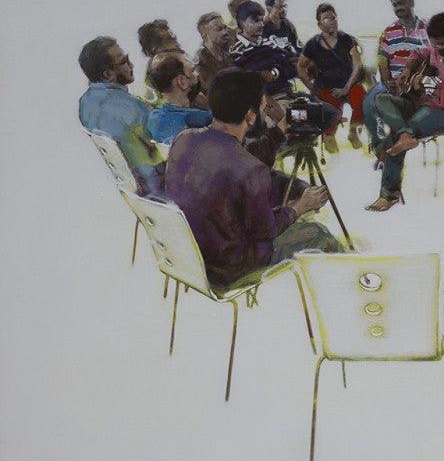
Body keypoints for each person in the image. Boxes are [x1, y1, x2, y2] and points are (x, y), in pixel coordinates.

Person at [164, 68, 342, 289]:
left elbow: (236, 159)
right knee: (318, 233)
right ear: (250, 116)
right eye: (263, 107)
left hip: (191, 257)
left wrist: (279, 132)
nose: (265, 111)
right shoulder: (251, 170)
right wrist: (300, 206)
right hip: (230, 269)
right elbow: (267, 231)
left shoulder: (185, 139)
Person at [366, 13, 444, 212]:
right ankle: (405, 134)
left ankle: (388, 195)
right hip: (425, 104)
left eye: (441, 44)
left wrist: (429, 86)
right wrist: (408, 70)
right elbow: (419, 53)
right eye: (434, 44)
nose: (437, 49)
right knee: (381, 99)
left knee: (395, 138)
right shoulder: (433, 49)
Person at [78, 36, 164, 194]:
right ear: (108, 74)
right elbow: (164, 136)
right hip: (158, 183)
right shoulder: (130, 106)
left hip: (136, 188)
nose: (131, 65)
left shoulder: (86, 102)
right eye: (125, 61)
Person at [362, 0, 429, 148]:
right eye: (395, 5)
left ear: (411, 2)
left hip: (419, 80)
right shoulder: (389, 32)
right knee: (369, 101)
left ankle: (404, 136)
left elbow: (432, 59)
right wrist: (388, 81)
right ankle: (379, 145)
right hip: (392, 81)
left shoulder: (427, 29)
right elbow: (382, 60)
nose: (398, 7)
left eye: (401, 3)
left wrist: (416, 78)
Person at [297, 3, 365, 152]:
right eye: (326, 18)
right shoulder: (313, 44)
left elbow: (357, 65)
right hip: (326, 85)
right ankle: (329, 136)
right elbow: (301, 67)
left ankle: (353, 132)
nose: (332, 21)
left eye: (333, 17)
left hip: (348, 83)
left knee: (361, 100)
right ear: (319, 24)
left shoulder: (346, 39)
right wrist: (312, 88)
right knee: (329, 111)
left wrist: (346, 88)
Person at [229, 0, 298, 101]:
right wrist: (275, 68)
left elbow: (291, 68)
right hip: (261, 101)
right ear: (242, 23)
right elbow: (249, 79)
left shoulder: (270, 43)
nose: (261, 24)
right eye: (256, 21)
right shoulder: (237, 51)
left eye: (262, 20)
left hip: (286, 93)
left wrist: (274, 73)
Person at [146, 52, 212, 143]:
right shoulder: (200, 119)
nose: (197, 74)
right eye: (193, 71)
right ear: (182, 82)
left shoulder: (153, 117)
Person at [195, 12, 234, 101]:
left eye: (225, 28)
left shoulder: (231, 52)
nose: (225, 32)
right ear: (205, 36)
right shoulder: (200, 65)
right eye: (219, 29)